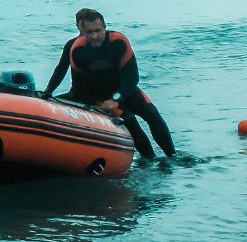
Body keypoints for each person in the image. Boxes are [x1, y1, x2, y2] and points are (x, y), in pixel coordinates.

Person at [43, 9, 176, 158]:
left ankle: (172, 157)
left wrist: (116, 98)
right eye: (89, 32)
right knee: (129, 120)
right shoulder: (77, 49)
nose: (94, 36)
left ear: (105, 27)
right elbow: (78, 87)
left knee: (152, 114)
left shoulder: (118, 41)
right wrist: (49, 92)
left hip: (124, 89)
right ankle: (150, 160)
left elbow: (132, 76)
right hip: (98, 95)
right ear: (82, 30)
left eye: (98, 31)